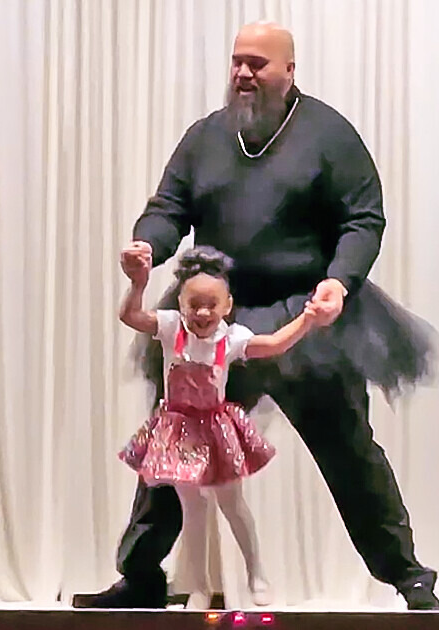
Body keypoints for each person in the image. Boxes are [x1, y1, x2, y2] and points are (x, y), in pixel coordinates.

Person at [74, 22, 439, 610]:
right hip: (214, 316)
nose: (244, 73)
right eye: (237, 62)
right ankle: (142, 574)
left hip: (306, 314)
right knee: (176, 441)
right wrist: (149, 244)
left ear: (290, 71)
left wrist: (338, 282)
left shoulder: (329, 134)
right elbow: (168, 207)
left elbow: (363, 219)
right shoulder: (206, 137)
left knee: (348, 447)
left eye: (258, 64)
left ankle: (408, 575)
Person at [119, 246, 326, 609]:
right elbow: (131, 316)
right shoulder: (170, 329)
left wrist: (306, 320)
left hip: (215, 426)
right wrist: (138, 284)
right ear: (180, 304)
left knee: (232, 503)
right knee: (193, 511)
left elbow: (274, 344)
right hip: (178, 430)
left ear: (227, 306)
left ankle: (256, 571)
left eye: (211, 304)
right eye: (193, 304)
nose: (202, 313)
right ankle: (198, 586)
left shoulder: (231, 339)